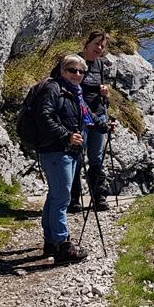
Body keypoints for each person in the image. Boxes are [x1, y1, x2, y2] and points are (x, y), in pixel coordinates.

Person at [36, 54, 108, 264]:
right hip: (56, 150)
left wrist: (104, 126)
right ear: (62, 71)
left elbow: (87, 116)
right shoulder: (54, 90)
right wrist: (66, 135)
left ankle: (51, 242)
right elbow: (44, 117)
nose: (77, 74)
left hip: (65, 151)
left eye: (81, 71)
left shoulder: (74, 93)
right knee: (62, 199)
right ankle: (62, 247)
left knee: (55, 196)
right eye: (72, 70)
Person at [67, 31, 112, 213]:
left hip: (98, 115)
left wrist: (105, 94)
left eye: (102, 45)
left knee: (96, 157)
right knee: (77, 156)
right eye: (96, 44)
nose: (99, 48)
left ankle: (98, 197)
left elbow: (102, 94)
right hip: (80, 116)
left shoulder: (99, 64)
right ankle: (74, 199)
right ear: (87, 43)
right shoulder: (76, 63)